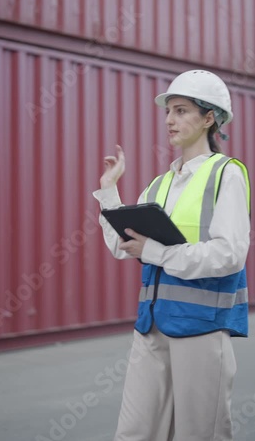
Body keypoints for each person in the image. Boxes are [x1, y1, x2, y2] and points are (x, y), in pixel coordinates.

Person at [93, 69, 251, 441]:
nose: (169, 120)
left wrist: (156, 252)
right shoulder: (159, 184)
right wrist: (109, 192)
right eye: (169, 111)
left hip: (201, 326)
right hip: (151, 327)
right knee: (134, 432)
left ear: (209, 118)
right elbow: (122, 246)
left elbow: (229, 255)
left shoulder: (226, 175)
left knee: (200, 433)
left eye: (181, 111)